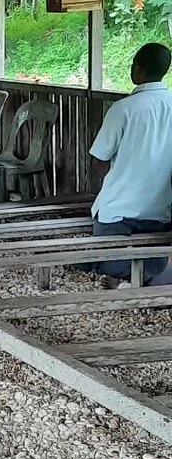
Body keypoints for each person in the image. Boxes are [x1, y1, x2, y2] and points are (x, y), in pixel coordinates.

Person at [89, 42, 172, 287]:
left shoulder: (123, 109)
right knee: (152, 258)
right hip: (159, 211)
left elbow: (99, 160)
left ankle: (128, 282)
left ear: (137, 70)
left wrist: (106, 188)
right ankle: (152, 274)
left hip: (118, 211)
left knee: (107, 261)